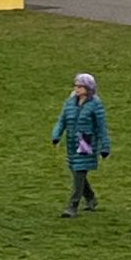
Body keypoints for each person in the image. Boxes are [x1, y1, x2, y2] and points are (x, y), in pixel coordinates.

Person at [51, 73, 111, 218]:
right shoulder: (70, 102)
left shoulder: (95, 105)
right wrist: (56, 135)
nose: (76, 89)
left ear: (88, 88)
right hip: (72, 142)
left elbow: (102, 127)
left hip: (85, 141)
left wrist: (105, 146)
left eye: (80, 86)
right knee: (76, 171)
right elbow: (62, 120)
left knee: (79, 172)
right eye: (76, 86)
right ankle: (91, 198)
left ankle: (73, 206)